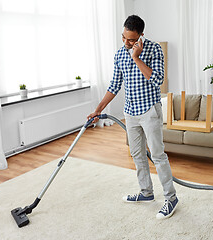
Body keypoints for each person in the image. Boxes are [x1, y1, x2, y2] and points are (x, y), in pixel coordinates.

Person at [87, 15, 178, 219]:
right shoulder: (119, 54)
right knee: (137, 155)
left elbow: (158, 80)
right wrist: (98, 109)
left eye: (131, 40)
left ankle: (171, 198)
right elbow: (114, 86)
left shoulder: (154, 49)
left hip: (149, 111)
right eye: (124, 38)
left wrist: (136, 57)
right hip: (130, 112)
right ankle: (146, 192)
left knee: (157, 155)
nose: (127, 43)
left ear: (141, 36)